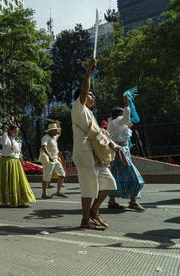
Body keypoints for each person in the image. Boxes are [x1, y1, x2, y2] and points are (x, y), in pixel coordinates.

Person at [71, 59, 117, 230]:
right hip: (83, 152)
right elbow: (83, 91)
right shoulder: (78, 108)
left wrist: (112, 145)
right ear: (81, 97)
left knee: (109, 184)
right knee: (89, 187)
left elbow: (98, 135)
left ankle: (94, 212)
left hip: (95, 154)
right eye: (90, 94)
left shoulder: (90, 114)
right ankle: (85, 220)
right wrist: (88, 71)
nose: (92, 96)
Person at [107, 96, 145, 211]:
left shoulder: (117, 123)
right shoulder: (116, 121)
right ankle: (133, 201)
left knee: (117, 178)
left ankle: (112, 201)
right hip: (120, 153)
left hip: (122, 153)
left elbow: (127, 124)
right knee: (134, 178)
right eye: (123, 114)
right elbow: (126, 118)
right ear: (119, 115)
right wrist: (127, 103)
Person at [0, 124, 36, 207]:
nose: (17, 133)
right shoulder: (5, 138)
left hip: (16, 162)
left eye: (17, 132)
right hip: (7, 162)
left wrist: (21, 159)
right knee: (3, 181)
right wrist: (5, 132)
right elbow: (4, 143)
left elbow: (17, 152)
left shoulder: (16, 141)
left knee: (19, 181)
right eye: (15, 131)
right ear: (10, 131)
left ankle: (21, 200)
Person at [39, 123, 67, 199]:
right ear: (50, 131)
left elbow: (59, 133)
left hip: (55, 159)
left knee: (62, 174)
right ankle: (44, 193)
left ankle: (58, 192)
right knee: (46, 176)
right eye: (55, 130)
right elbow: (44, 147)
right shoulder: (45, 137)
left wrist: (58, 124)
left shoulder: (54, 137)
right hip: (49, 159)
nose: (56, 132)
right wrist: (50, 156)